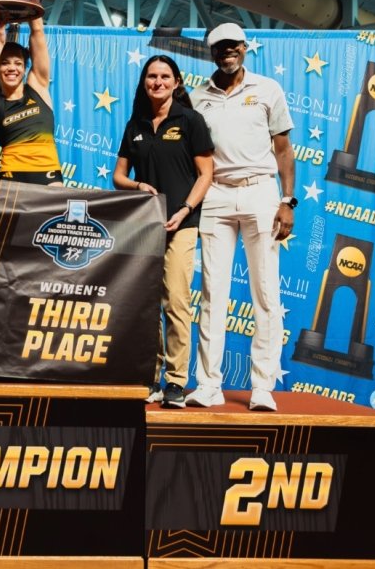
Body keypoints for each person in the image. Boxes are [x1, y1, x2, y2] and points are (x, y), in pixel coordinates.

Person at [187, 23, 295, 412]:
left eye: (233, 46)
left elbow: (283, 150)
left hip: (260, 193)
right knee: (214, 293)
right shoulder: (197, 97)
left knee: (266, 294)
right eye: (219, 47)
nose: (226, 52)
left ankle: (262, 388)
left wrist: (288, 200)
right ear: (211, 52)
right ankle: (208, 386)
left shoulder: (267, 89)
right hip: (215, 194)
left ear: (245, 48)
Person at [113, 55, 214, 409]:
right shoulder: (135, 124)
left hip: (182, 224)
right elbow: (118, 176)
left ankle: (175, 382)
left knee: (176, 300)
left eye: (165, 76)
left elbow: (206, 173)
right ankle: (148, 377)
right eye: (152, 76)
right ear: (144, 82)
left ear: (176, 82)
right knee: (145, 304)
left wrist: (186, 208)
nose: (158, 82)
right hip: (145, 225)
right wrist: (137, 185)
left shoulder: (190, 120)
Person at [0, 8, 61, 185]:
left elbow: (37, 31)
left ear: (24, 69)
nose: (12, 68)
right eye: (4, 63)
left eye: (18, 63)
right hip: (11, 179)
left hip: (49, 176)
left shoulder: (37, 87)